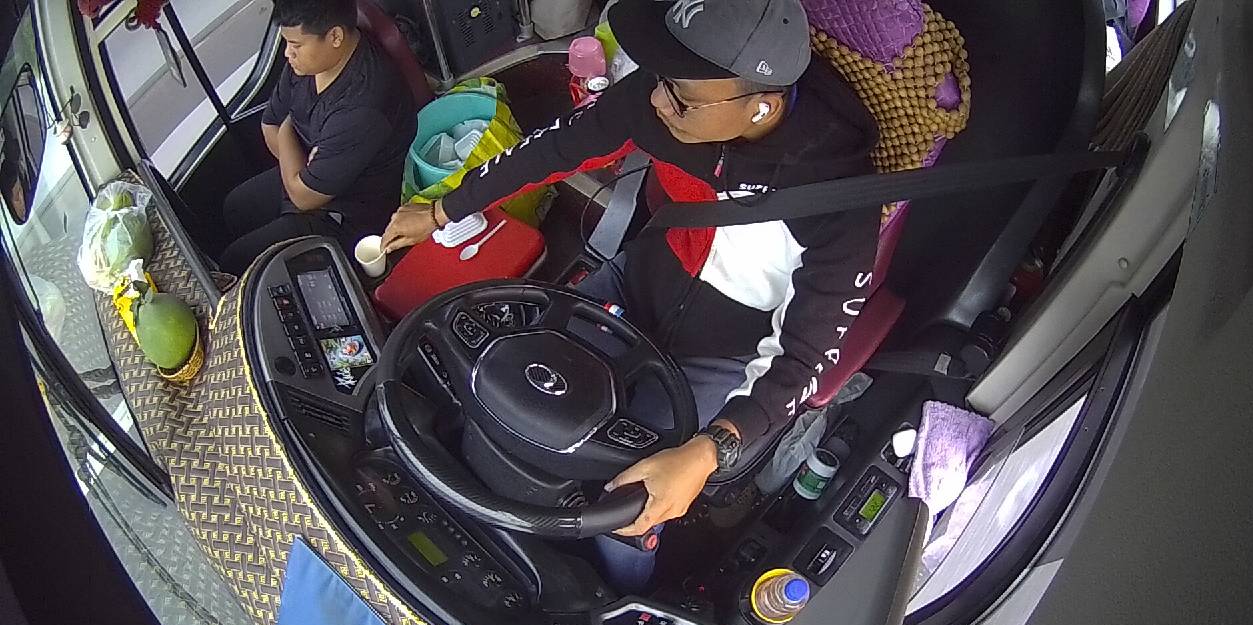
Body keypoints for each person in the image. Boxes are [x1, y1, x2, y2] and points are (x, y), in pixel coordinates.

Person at [380, 0, 880, 591]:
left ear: (761, 106)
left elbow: (802, 358)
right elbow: (557, 148)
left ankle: (621, 600)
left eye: (681, 98)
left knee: (631, 506)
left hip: (725, 356)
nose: (658, 102)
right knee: (509, 382)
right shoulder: (668, 100)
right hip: (633, 283)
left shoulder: (839, 204)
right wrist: (443, 208)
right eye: (660, 80)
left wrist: (707, 452)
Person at [218, 0, 415, 275]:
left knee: (236, 260)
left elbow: (304, 198)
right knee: (236, 207)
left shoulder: (363, 105)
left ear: (335, 36)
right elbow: (268, 125)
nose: (287, 53)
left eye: (296, 45)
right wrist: (299, 170)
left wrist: (288, 131)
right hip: (308, 176)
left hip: (346, 214)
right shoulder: (306, 64)